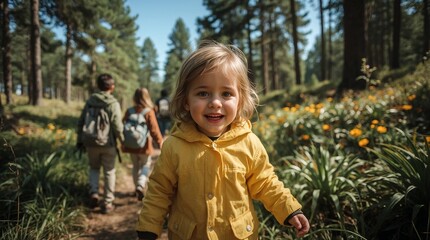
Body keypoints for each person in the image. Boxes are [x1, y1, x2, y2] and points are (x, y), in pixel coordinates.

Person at [136, 41, 310, 239]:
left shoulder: (249, 142)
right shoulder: (174, 146)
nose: (215, 103)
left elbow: (265, 182)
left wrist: (289, 209)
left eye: (226, 93)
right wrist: (149, 227)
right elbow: (159, 190)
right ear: (185, 101)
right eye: (203, 93)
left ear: (241, 100)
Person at [76, 73, 124, 214]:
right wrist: (122, 141)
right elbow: (117, 126)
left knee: (94, 168)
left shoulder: (90, 101)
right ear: (112, 87)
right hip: (108, 144)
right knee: (109, 171)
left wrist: (79, 140)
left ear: (98, 86)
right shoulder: (113, 103)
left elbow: (81, 122)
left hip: (90, 142)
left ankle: (94, 193)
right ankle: (108, 202)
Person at [122, 88, 164, 201]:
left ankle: (136, 188)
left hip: (131, 145)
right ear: (147, 97)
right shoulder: (148, 111)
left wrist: (123, 141)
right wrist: (160, 142)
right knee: (146, 165)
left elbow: (122, 125)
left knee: (135, 166)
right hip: (144, 145)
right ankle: (141, 185)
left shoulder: (129, 111)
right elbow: (154, 130)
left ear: (134, 97)